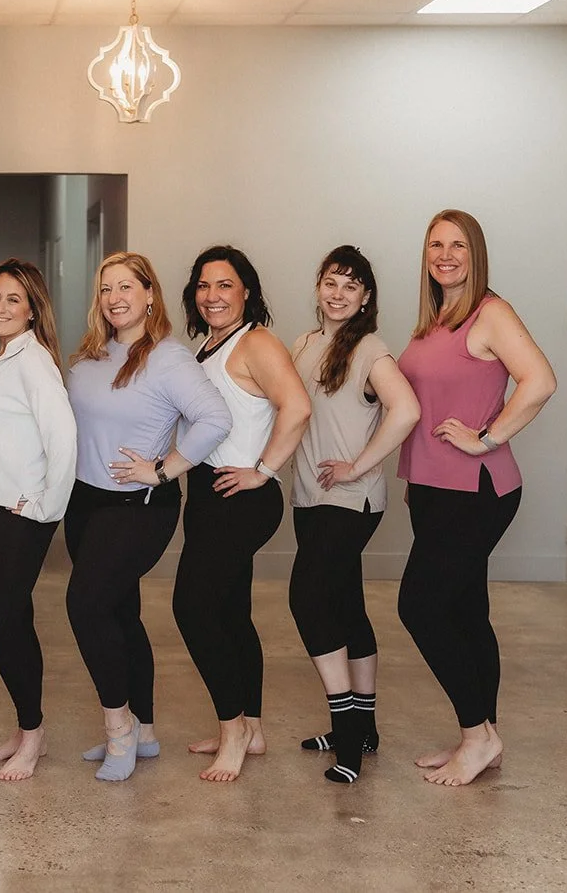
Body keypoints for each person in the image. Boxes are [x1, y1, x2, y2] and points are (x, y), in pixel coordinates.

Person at [397, 210, 556, 787]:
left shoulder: (491, 313)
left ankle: (477, 735)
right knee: (466, 611)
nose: (445, 254)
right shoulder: (435, 318)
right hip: (436, 489)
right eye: (436, 244)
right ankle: (482, 733)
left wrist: (486, 437)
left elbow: (539, 380)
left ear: (475, 253)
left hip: (477, 490)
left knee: (419, 605)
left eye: (457, 245)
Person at [66, 252, 232, 783]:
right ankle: (145, 731)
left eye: (126, 287)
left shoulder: (167, 357)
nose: (116, 297)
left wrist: (165, 469)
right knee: (118, 613)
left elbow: (215, 418)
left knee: (85, 606)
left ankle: (119, 729)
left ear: (150, 295)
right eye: (106, 288)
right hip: (85, 503)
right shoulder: (92, 355)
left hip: (138, 506)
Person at [175, 245, 311, 784]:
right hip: (210, 493)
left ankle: (232, 731)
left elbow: (297, 405)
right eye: (204, 286)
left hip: (242, 495)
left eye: (225, 285)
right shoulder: (208, 346)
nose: (213, 296)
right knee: (230, 613)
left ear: (246, 290)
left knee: (193, 607)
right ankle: (249, 726)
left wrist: (263, 469)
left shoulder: (256, 342)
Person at [288, 245, 419, 785]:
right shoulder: (305, 344)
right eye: (331, 282)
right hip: (308, 497)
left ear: (365, 297)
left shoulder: (370, 349)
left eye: (350, 285)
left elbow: (406, 409)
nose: (338, 294)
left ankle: (347, 736)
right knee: (345, 605)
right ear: (319, 287)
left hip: (349, 500)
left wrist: (359, 466)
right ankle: (365, 727)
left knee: (309, 601)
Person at [0, 258, 76, 782]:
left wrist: (45, 507)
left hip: (18, 513)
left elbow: (63, 437)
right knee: (8, 621)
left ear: (32, 312)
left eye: (13, 300)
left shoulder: (33, 361)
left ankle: (34, 731)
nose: (0, 308)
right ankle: (26, 730)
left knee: (6, 620)